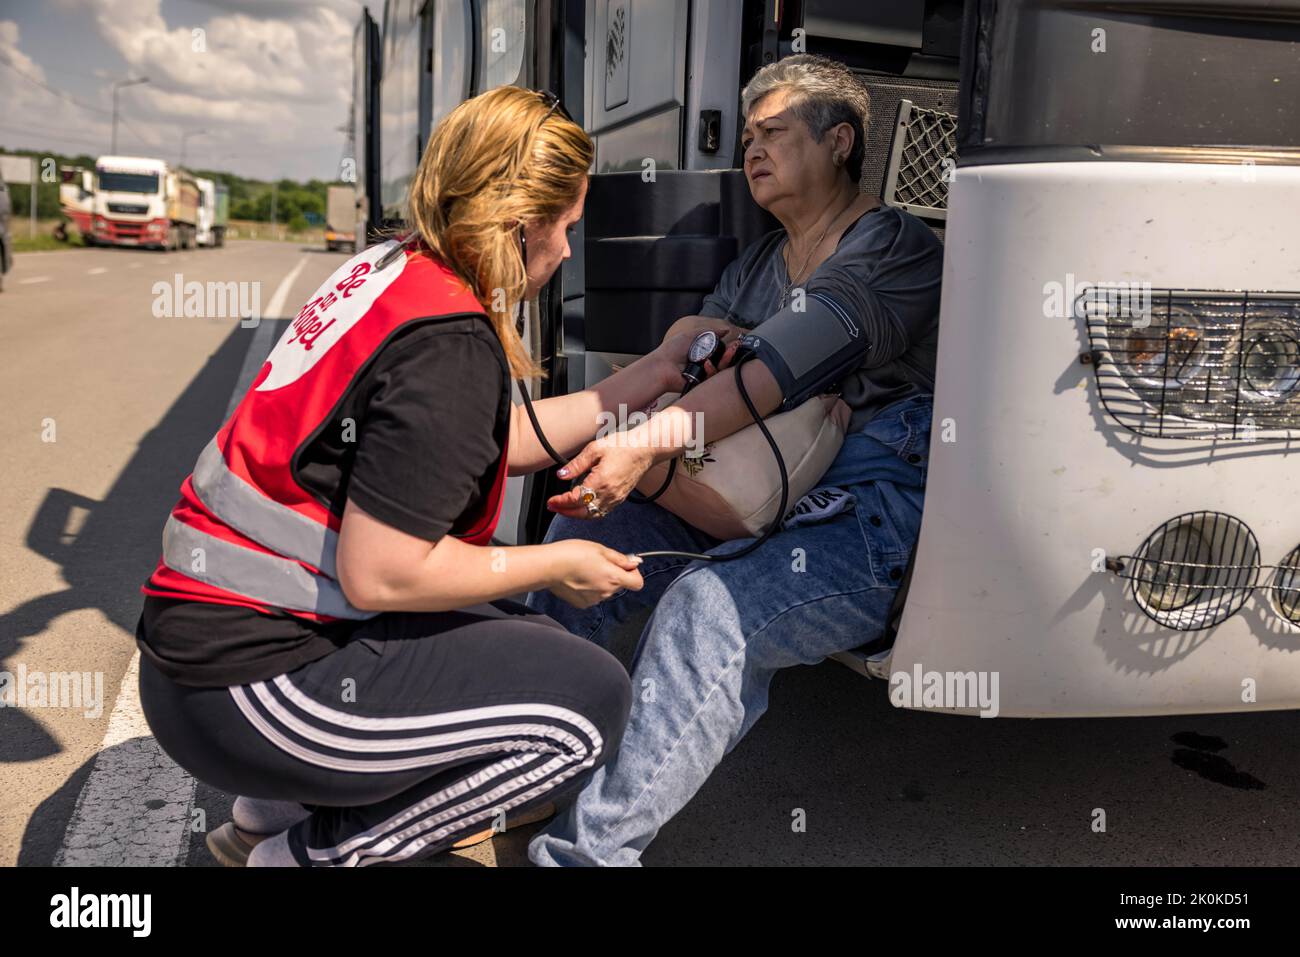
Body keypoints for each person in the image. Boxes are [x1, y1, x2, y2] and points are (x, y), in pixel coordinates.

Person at [133, 85, 714, 867]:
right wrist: (562, 561)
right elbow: (382, 576)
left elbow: (460, 444)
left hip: (206, 656)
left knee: (531, 642)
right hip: (249, 687)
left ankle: (263, 817)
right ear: (519, 223)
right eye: (567, 228)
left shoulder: (391, 271)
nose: (568, 252)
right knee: (586, 706)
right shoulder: (449, 343)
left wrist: (643, 378)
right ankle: (302, 858)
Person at [525, 54, 945, 866]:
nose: (752, 149)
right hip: (751, 491)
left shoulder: (892, 245)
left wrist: (649, 433)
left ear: (840, 142)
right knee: (576, 549)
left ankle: (585, 856)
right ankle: (506, 774)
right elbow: (691, 346)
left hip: (860, 520)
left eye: (775, 133)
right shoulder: (759, 262)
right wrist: (714, 357)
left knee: (710, 611)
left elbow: (783, 369)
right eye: (747, 135)